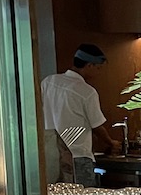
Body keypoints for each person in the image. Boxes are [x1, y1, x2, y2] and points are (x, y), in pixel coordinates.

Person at [42, 44, 118, 184]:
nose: (99, 73)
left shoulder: (48, 82)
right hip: (78, 157)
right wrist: (111, 143)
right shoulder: (86, 92)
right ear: (89, 65)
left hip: (50, 156)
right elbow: (97, 126)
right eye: (98, 68)